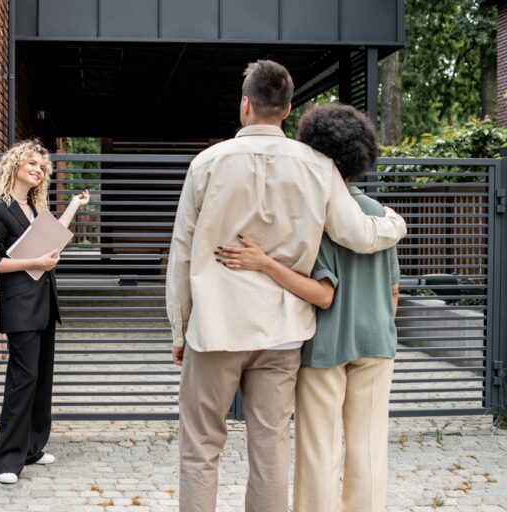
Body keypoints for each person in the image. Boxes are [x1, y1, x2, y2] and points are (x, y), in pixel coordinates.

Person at [165, 60, 407, 512]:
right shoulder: (318, 167)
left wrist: (179, 330)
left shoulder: (207, 164)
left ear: (245, 105)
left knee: (200, 448)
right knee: (271, 448)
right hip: (282, 332)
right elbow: (355, 233)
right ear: (288, 108)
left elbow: (182, 254)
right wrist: (395, 225)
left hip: (216, 327)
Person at [217, 104, 400, 512]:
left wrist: (265, 263)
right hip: (378, 343)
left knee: (319, 448)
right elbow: (393, 291)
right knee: (369, 449)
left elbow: (321, 290)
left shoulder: (313, 214)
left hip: (326, 345)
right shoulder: (378, 214)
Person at [0, 139, 89, 485]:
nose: (38, 170)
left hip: (44, 303)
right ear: (14, 165)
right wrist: (36, 262)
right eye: (32, 164)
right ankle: (5, 461)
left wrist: (72, 205)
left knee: (41, 381)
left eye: (42, 167)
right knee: (21, 382)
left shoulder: (33, 210)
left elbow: (52, 240)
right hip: (20, 306)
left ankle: (32, 448)